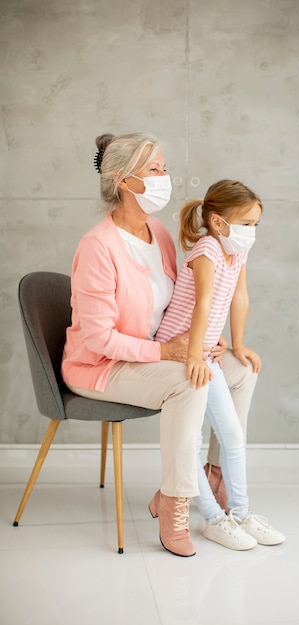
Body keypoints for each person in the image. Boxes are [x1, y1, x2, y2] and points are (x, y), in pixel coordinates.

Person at [61, 132, 258, 558]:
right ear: (123, 180)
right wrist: (166, 353)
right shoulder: (98, 246)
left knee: (240, 371)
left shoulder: (159, 234)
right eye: (154, 170)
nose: (165, 177)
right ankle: (175, 499)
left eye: (164, 168)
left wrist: (206, 339)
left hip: (151, 353)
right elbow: (98, 338)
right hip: (102, 366)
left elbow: (181, 303)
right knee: (188, 381)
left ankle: (214, 477)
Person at [156, 180, 286, 549]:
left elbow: (238, 296)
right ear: (217, 221)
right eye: (245, 224)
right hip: (181, 352)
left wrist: (237, 343)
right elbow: (204, 303)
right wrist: (197, 354)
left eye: (255, 225)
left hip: (202, 349)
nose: (251, 232)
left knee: (231, 434)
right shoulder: (208, 249)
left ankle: (241, 513)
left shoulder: (234, 251)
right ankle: (213, 518)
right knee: (193, 440)